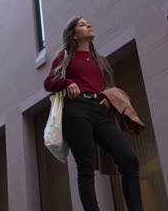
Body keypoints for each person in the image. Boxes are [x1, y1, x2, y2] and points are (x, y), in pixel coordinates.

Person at [44, 17, 143, 211]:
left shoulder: (100, 61)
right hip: (76, 109)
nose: (88, 25)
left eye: (87, 23)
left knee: (129, 159)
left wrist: (108, 99)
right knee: (86, 167)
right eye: (82, 24)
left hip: (100, 110)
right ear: (73, 35)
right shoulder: (65, 55)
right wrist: (67, 83)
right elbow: (48, 83)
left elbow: (108, 85)